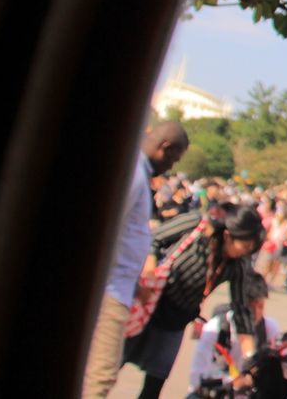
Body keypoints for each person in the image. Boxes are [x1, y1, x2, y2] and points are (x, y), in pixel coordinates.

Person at [80, 121, 188, 399]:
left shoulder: (135, 171)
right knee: (99, 376)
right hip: (111, 291)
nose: (172, 168)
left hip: (118, 286)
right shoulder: (136, 176)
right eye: (174, 159)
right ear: (165, 148)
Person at [122, 203, 264, 399]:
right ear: (229, 234)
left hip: (175, 320)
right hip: (148, 304)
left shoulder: (237, 265)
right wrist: (149, 271)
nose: (245, 252)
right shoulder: (197, 223)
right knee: (112, 364)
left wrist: (250, 357)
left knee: (155, 383)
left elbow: (240, 308)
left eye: (251, 249)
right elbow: (154, 238)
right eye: (245, 245)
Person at [186, 270, 280, 394]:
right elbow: (197, 377)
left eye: (260, 306)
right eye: (251, 308)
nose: (256, 313)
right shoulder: (216, 329)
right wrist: (235, 382)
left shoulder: (270, 328)